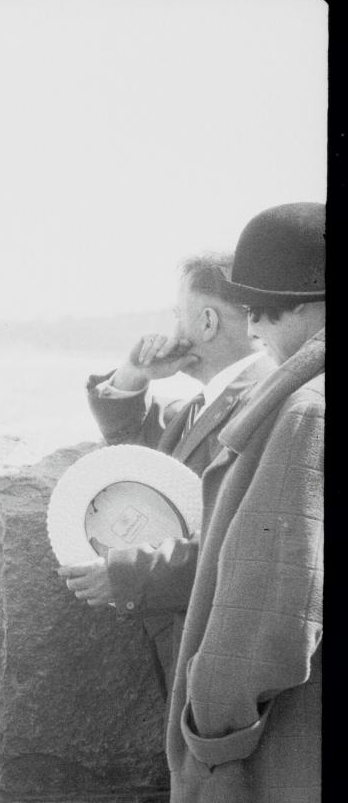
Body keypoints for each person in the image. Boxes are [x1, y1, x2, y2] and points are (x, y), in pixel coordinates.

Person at [166, 202, 324, 803]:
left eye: (260, 313)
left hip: (280, 756)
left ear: (288, 309)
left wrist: (209, 730)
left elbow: (270, 613)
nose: (256, 331)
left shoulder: (306, 412)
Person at [59, 257, 275, 697]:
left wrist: (124, 573)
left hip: (225, 656)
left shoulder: (263, 403)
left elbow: (248, 542)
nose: (173, 330)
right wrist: (134, 373)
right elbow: (134, 453)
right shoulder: (206, 403)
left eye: (179, 315)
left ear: (208, 322)